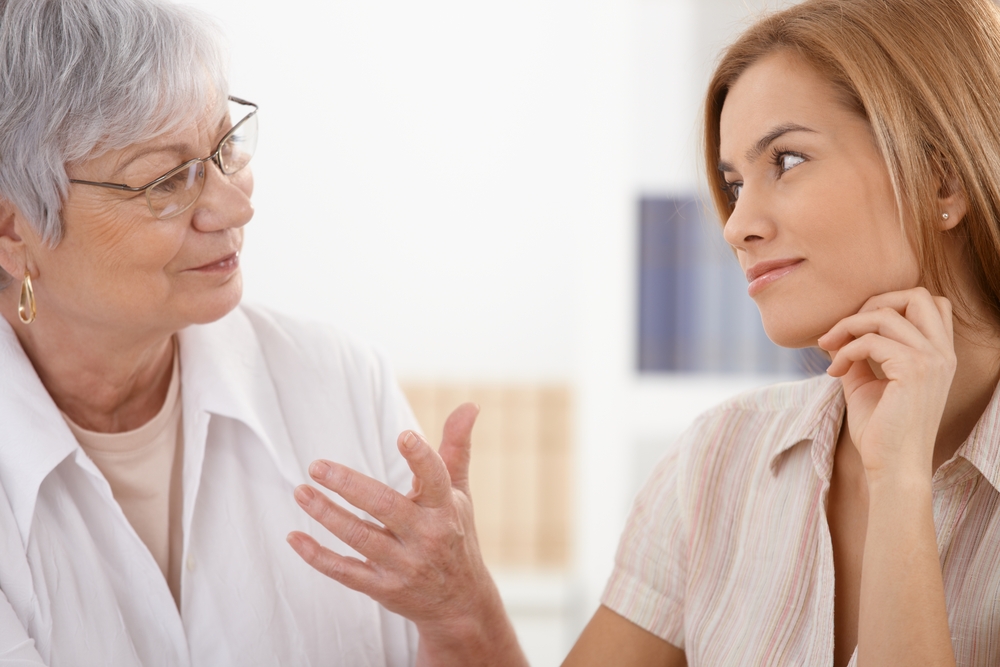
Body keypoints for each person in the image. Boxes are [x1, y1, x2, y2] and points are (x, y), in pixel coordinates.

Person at [287, 0, 1000, 665]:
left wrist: (900, 484)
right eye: (734, 183)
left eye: (786, 161)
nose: (736, 225)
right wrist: (459, 607)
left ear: (941, 181)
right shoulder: (717, 461)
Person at [0, 0, 457, 664]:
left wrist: (463, 610)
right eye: (164, 180)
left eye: (226, 148)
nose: (236, 206)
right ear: (13, 231)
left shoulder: (343, 382)